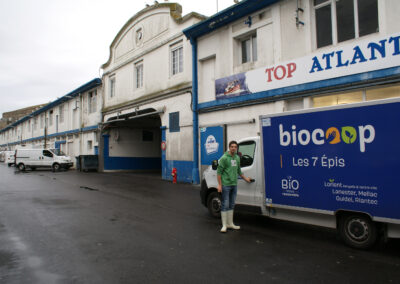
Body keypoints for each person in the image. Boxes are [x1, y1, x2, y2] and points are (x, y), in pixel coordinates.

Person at [217, 140, 252, 233]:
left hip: (234, 185)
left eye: (235, 147)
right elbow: (219, 172)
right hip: (226, 185)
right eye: (232, 146)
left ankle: (230, 223)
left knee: (232, 204)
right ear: (229, 147)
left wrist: (245, 178)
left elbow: (239, 171)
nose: (233, 148)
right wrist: (220, 185)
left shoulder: (237, 157)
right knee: (225, 204)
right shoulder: (224, 158)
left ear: (236, 148)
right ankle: (224, 225)